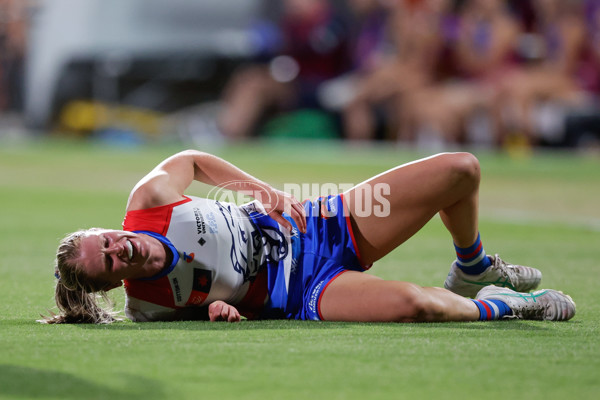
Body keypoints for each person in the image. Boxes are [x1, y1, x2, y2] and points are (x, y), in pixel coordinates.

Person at [42, 150, 575, 324]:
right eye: (108, 262)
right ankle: (507, 305)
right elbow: (202, 324)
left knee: (461, 170)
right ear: (112, 285)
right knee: (416, 305)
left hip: (322, 221)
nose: (119, 249)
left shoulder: (149, 202)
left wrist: (261, 191)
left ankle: (474, 267)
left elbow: (190, 160)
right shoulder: (149, 307)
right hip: (305, 292)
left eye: (107, 240)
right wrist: (219, 315)